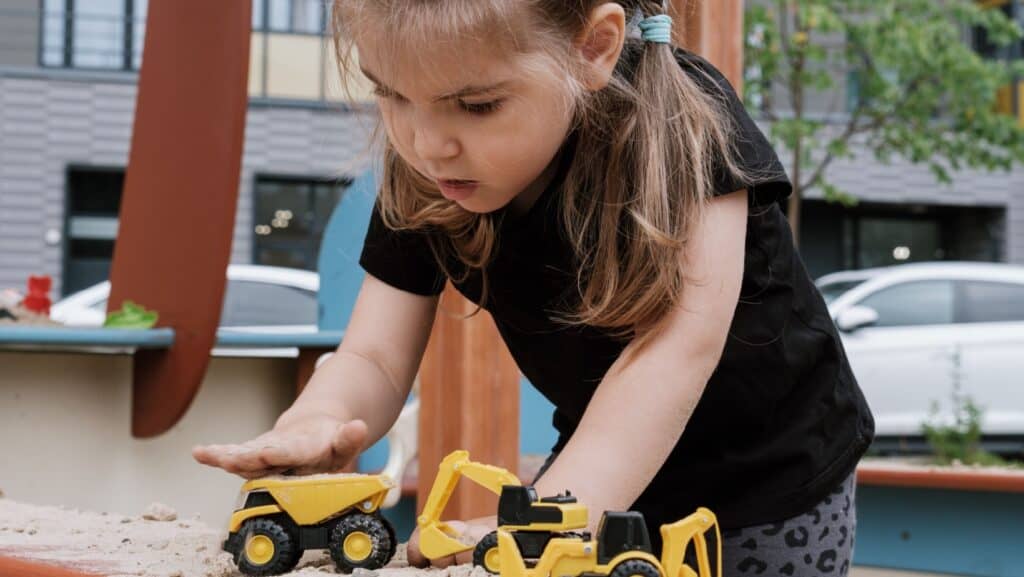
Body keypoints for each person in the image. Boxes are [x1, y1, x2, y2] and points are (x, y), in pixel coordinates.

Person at [193, 1, 874, 575]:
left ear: (594, 48)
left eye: (477, 105)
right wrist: (321, 415)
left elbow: (671, 358)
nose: (428, 144)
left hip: (770, 481)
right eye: (392, 93)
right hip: (596, 448)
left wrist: (541, 522)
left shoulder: (689, 131)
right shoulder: (430, 168)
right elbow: (373, 355)